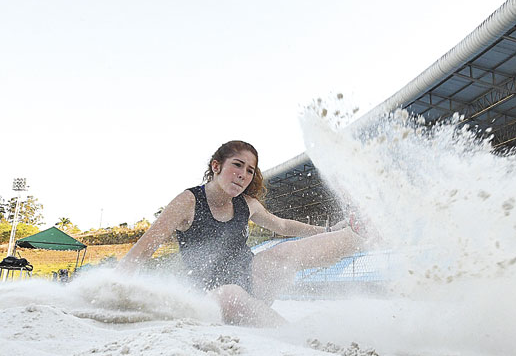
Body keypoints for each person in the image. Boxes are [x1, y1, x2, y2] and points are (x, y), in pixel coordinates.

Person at [118, 140, 365, 327]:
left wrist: (330, 230)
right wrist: (113, 290)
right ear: (216, 166)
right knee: (230, 295)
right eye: (237, 165)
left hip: (251, 282)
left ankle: (360, 236)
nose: (243, 175)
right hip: (211, 297)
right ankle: (288, 333)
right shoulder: (188, 202)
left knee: (282, 252)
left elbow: (284, 227)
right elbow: (143, 249)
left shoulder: (247, 204)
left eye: (249, 170)